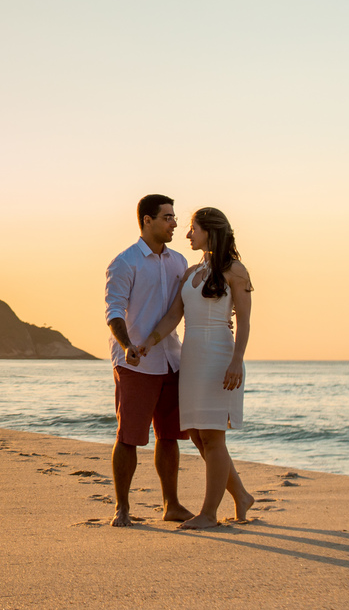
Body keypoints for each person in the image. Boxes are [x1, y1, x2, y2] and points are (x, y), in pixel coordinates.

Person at [143, 207, 255, 529]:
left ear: (210, 231)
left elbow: (245, 321)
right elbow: (173, 317)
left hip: (220, 357)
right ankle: (242, 496)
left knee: (213, 436)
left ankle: (208, 514)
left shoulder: (236, 270)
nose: (187, 234)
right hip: (191, 359)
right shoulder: (191, 272)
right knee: (195, 433)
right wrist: (148, 342)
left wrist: (237, 361)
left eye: (193, 228)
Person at [103, 194, 193, 527]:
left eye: (174, 218)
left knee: (169, 436)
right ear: (147, 221)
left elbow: (184, 308)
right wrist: (127, 345)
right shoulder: (125, 262)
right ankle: (122, 507)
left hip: (172, 358)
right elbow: (113, 312)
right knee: (129, 436)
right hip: (135, 362)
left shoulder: (179, 262)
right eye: (168, 217)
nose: (174, 224)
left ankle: (171, 504)